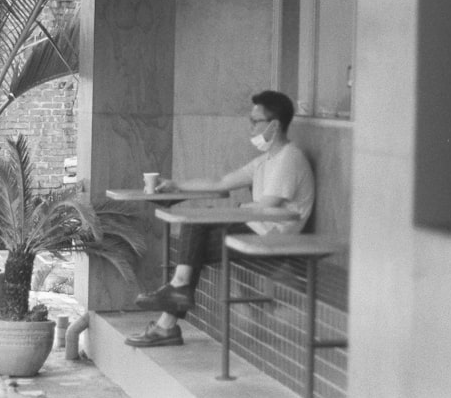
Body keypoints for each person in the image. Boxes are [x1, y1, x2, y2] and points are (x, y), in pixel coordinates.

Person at [125, 90, 315, 348]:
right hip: (254, 227)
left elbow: (268, 206)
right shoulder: (266, 160)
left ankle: (169, 316)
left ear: (275, 124)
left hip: (271, 237)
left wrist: (241, 206)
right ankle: (173, 301)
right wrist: (175, 184)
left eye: (255, 121)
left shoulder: (289, 158)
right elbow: (221, 182)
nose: (250, 127)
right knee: (195, 233)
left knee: (195, 240)